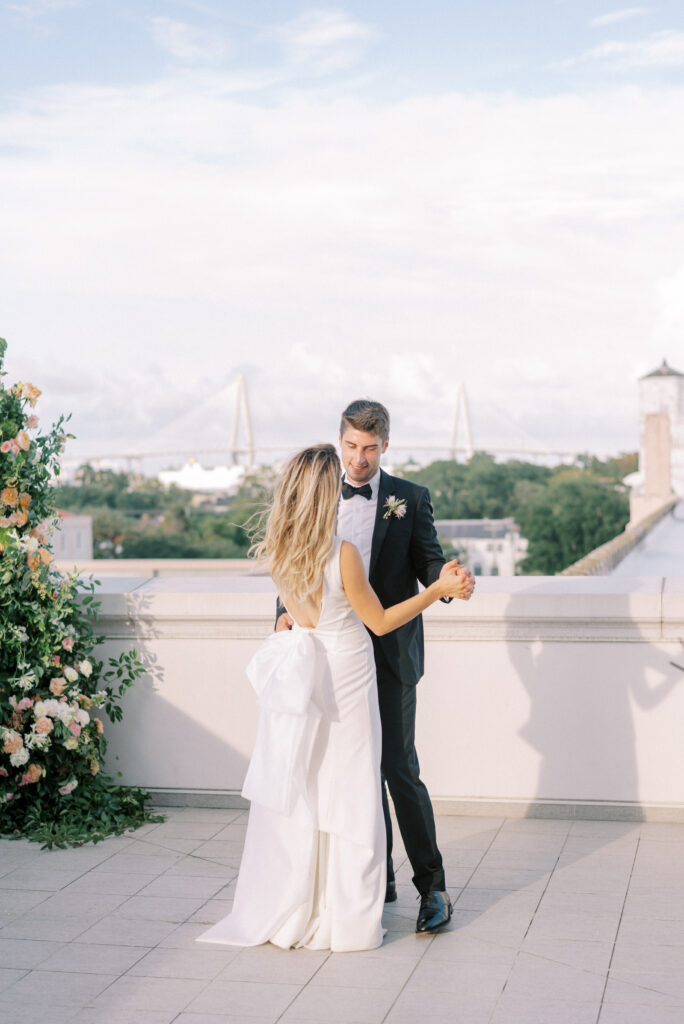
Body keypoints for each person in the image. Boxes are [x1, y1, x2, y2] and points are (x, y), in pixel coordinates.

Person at [197, 443, 473, 953]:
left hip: (318, 673)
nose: (355, 460)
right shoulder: (342, 551)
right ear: (327, 490)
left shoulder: (280, 549)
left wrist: (289, 617)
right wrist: (436, 593)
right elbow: (382, 620)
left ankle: (318, 898)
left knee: (321, 784)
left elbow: (300, 610)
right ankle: (351, 903)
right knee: (354, 787)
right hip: (347, 671)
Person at [276, 400, 470, 933]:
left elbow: (427, 558)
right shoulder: (317, 492)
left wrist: (445, 578)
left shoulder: (410, 498)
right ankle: (374, 876)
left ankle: (433, 888)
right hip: (329, 652)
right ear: (340, 440)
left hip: (387, 651)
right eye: (351, 447)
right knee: (347, 768)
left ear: (386, 445)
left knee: (397, 769)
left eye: (369, 449)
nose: (358, 460)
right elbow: (295, 557)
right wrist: (282, 615)